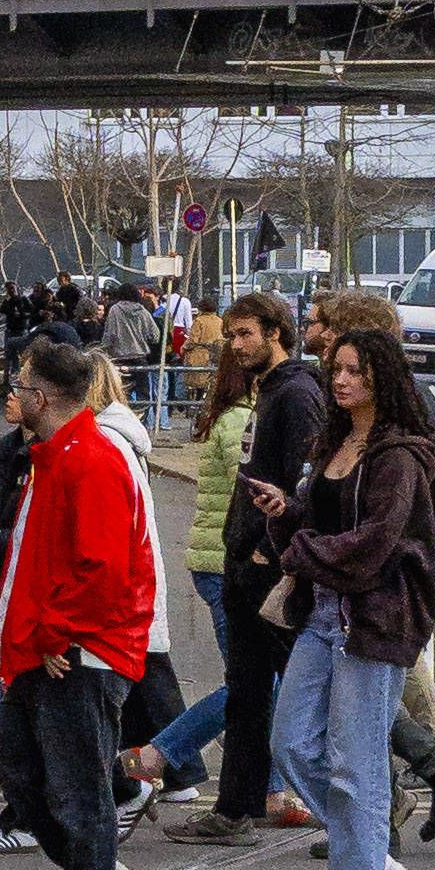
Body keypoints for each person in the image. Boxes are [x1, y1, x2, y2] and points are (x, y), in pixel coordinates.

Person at [267, 309, 435, 870]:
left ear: (383, 379)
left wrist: (299, 550)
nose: (341, 380)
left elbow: (374, 544)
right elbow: (322, 522)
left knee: (356, 761)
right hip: (323, 613)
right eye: (337, 369)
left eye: (355, 372)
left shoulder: (397, 458)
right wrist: (286, 514)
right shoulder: (336, 444)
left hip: (376, 618)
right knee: (291, 742)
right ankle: (369, 851)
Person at [0, 333, 160, 870]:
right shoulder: (59, 455)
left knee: (77, 785)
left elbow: (103, 569)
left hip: (80, 651)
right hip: (52, 644)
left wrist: (54, 632)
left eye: (20, 385)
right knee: (17, 766)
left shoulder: (89, 459)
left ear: (41, 396)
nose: (14, 396)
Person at [207, 300, 336, 842]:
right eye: (231, 336)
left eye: (245, 335)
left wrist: (267, 548)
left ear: (275, 333)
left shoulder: (297, 393)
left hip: (268, 567)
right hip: (245, 562)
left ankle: (412, 776)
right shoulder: (269, 390)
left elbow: (305, 482)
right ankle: (235, 808)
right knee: (247, 689)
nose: (235, 346)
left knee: (314, 687)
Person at [151, 307, 286, 804]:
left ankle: (271, 789)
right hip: (224, 564)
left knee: (259, 683)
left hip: (215, 560)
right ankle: (162, 753)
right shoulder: (242, 422)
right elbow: (255, 490)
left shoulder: (233, 416)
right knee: (252, 683)